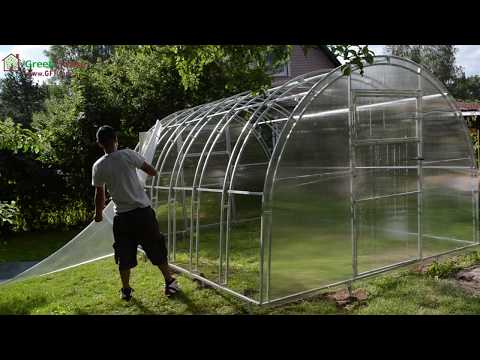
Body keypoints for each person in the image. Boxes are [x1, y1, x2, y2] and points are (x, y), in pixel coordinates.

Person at [92, 125, 180, 301]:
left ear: (99, 144)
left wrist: (99, 214)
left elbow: (99, 193)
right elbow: (152, 171)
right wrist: (137, 177)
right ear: (116, 139)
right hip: (143, 214)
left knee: (124, 254)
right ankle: (169, 282)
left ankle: (126, 291)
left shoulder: (98, 166)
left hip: (122, 218)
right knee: (155, 247)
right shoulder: (128, 154)